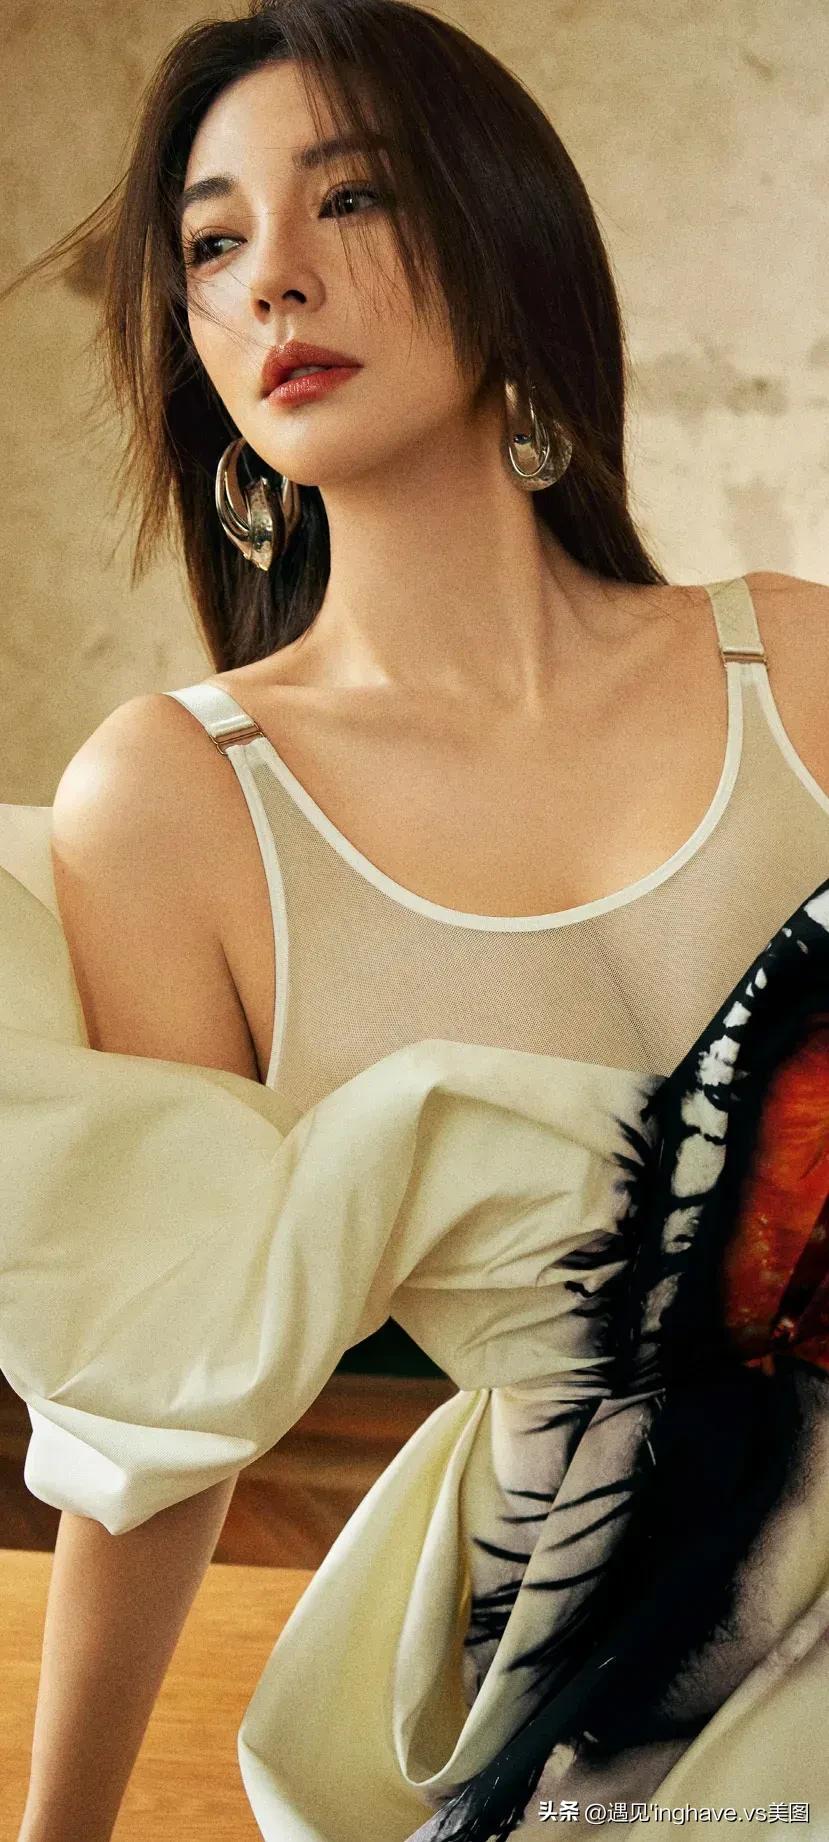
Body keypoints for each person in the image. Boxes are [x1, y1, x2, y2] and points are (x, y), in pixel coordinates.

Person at [1, 1, 828, 1838]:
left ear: (503, 233)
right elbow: (163, 1386)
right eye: (212, 244)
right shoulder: (181, 801)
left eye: (351, 197)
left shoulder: (804, 668)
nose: (273, 278)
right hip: (594, 1687)